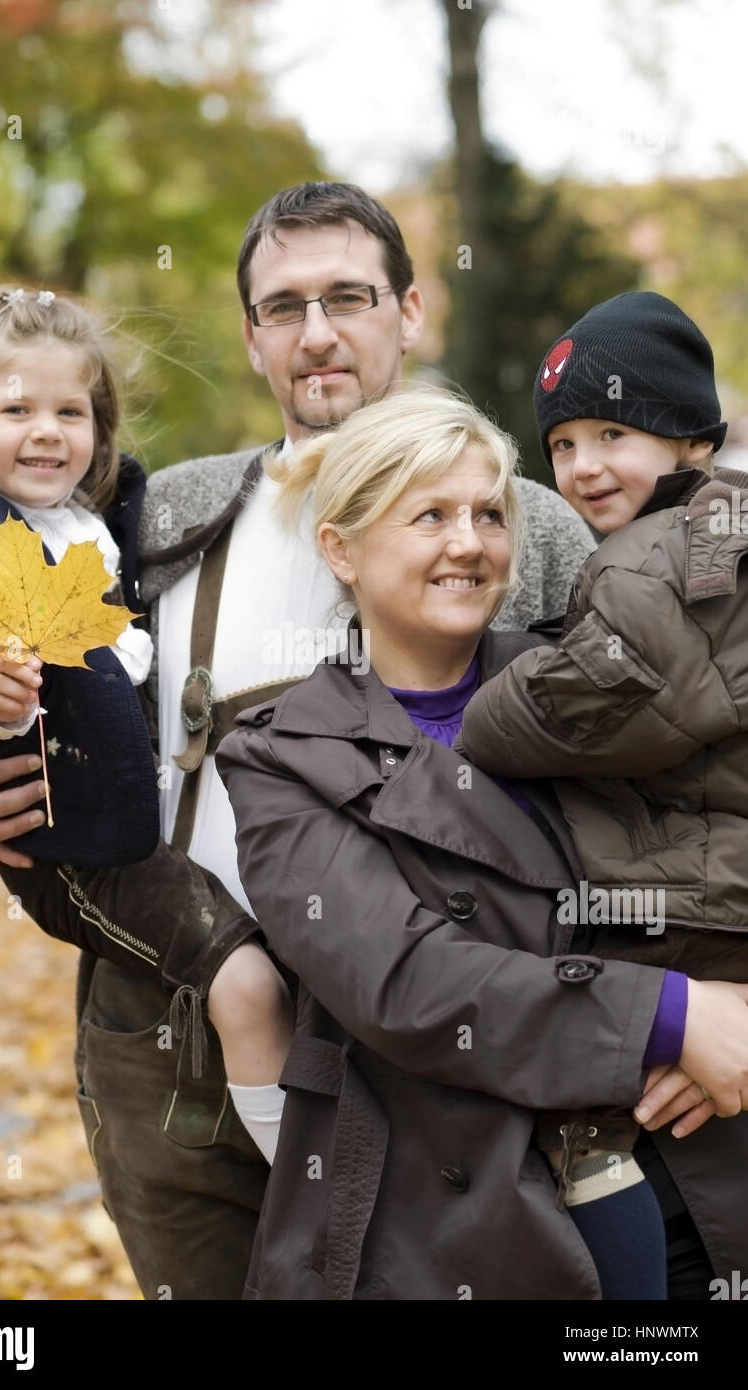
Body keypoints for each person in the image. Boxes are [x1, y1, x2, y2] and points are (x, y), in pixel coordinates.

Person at [0, 183, 597, 1300]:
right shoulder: (164, 512)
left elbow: (643, 748)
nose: (317, 334)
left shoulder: (523, 524)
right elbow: (3, 629)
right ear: (252, 337)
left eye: (349, 299)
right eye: (283, 307)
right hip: (162, 1032)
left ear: (409, 312)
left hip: (420, 1042)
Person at [215, 385, 748, 1300]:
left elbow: (719, 842)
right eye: (429, 516)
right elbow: (407, 983)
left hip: (684, 1179)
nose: (469, 543)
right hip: (444, 1220)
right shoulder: (281, 754)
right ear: (339, 549)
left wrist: (734, 1007)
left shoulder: (583, 680)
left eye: (487, 514)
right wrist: (671, 1015)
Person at [0, 283, 294, 1165]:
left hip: (139, 819)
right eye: (16, 408)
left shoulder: (95, 522)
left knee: (265, 987)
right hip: (74, 844)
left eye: (71, 410)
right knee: (248, 984)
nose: (47, 430)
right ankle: (306, 1178)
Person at [459, 291, 748, 1294]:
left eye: (613, 434)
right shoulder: (713, 534)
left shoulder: (659, 559)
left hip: (691, 914)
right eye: (565, 442)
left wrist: (477, 709)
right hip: (705, 896)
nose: (583, 467)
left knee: (604, 1133)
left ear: (690, 438)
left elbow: (590, 697)